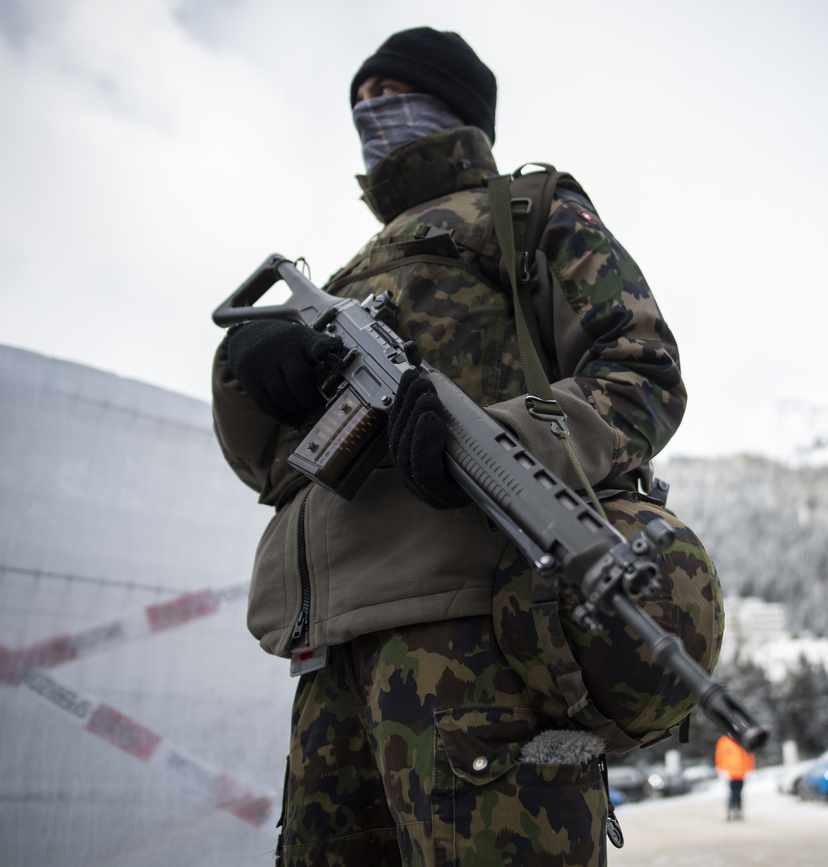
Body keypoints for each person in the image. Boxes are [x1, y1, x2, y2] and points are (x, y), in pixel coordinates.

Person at [211, 26, 719, 867]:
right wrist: (250, 371)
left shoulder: (526, 212)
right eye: (360, 101)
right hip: (329, 659)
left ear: (452, 105)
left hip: (482, 634)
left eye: (392, 93)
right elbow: (274, 469)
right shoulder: (337, 277)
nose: (373, 113)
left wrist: (494, 439)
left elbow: (643, 372)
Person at [714, 734, 755, 821]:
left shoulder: (743, 740)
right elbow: (719, 756)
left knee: (738, 793)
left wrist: (749, 769)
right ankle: (729, 811)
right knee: (732, 793)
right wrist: (721, 769)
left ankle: (738, 811)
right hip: (729, 773)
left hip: (741, 772)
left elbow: (749, 756)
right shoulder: (724, 741)